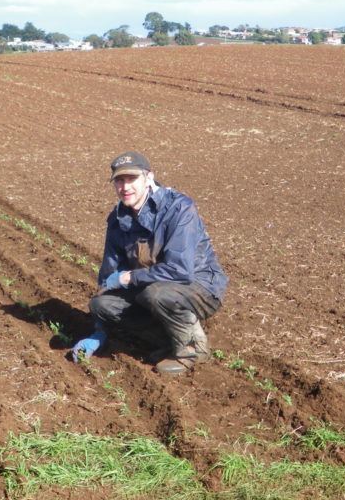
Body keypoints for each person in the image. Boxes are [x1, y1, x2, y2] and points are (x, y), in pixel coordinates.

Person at [70, 151, 228, 375]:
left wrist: (130, 277)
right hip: (154, 286)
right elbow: (108, 276)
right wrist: (99, 331)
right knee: (102, 305)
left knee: (155, 294)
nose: (125, 187)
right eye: (119, 180)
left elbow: (180, 270)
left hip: (200, 286)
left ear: (149, 178)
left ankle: (192, 351)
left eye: (132, 179)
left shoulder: (178, 208)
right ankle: (169, 338)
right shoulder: (117, 220)